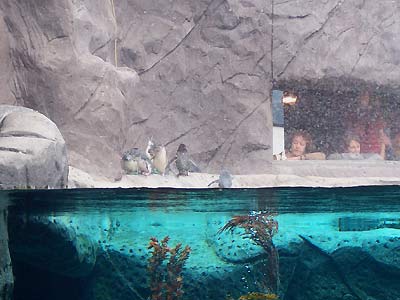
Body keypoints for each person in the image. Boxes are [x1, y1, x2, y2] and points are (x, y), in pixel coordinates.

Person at [346, 89, 390, 159]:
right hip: (357, 155)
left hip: (374, 155)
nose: (364, 98)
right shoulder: (353, 117)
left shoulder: (378, 119)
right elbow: (349, 140)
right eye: (362, 95)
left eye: (366, 96)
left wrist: (382, 155)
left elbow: (384, 140)